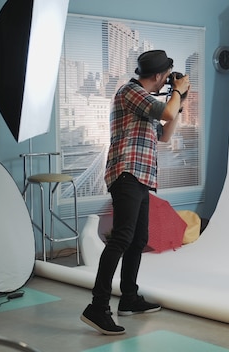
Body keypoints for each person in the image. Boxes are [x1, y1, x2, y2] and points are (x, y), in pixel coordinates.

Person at [81, 49, 190, 335]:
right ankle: (98, 306)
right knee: (122, 238)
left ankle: (128, 297)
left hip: (140, 177)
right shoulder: (131, 91)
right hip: (127, 173)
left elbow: (165, 134)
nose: (168, 79)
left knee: (138, 238)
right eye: (166, 75)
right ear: (158, 75)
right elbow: (166, 110)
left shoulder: (144, 102)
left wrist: (181, 101)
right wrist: (176, 94)